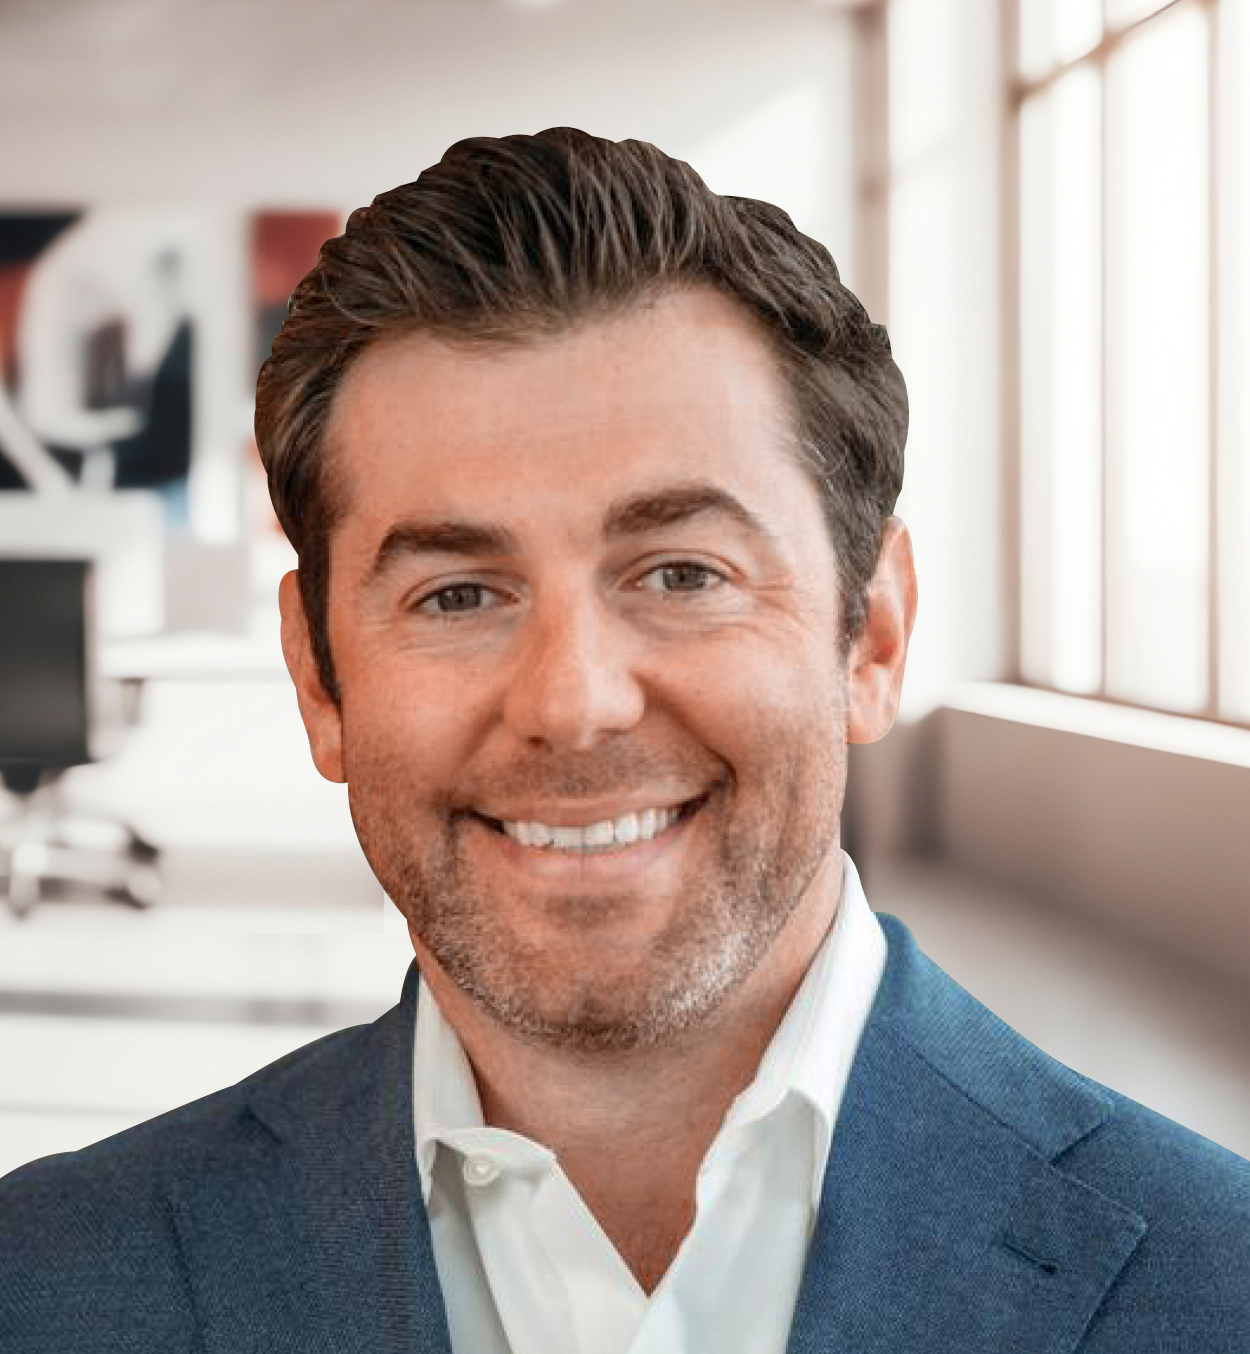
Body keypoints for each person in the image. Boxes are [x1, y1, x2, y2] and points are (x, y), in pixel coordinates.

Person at [2, 127, 1247, 1354]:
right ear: (317, 678)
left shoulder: (1216, 1283)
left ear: (867, 638)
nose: (573, 701)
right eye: (457, 594)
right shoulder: (45, 1282)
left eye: (680, 572)